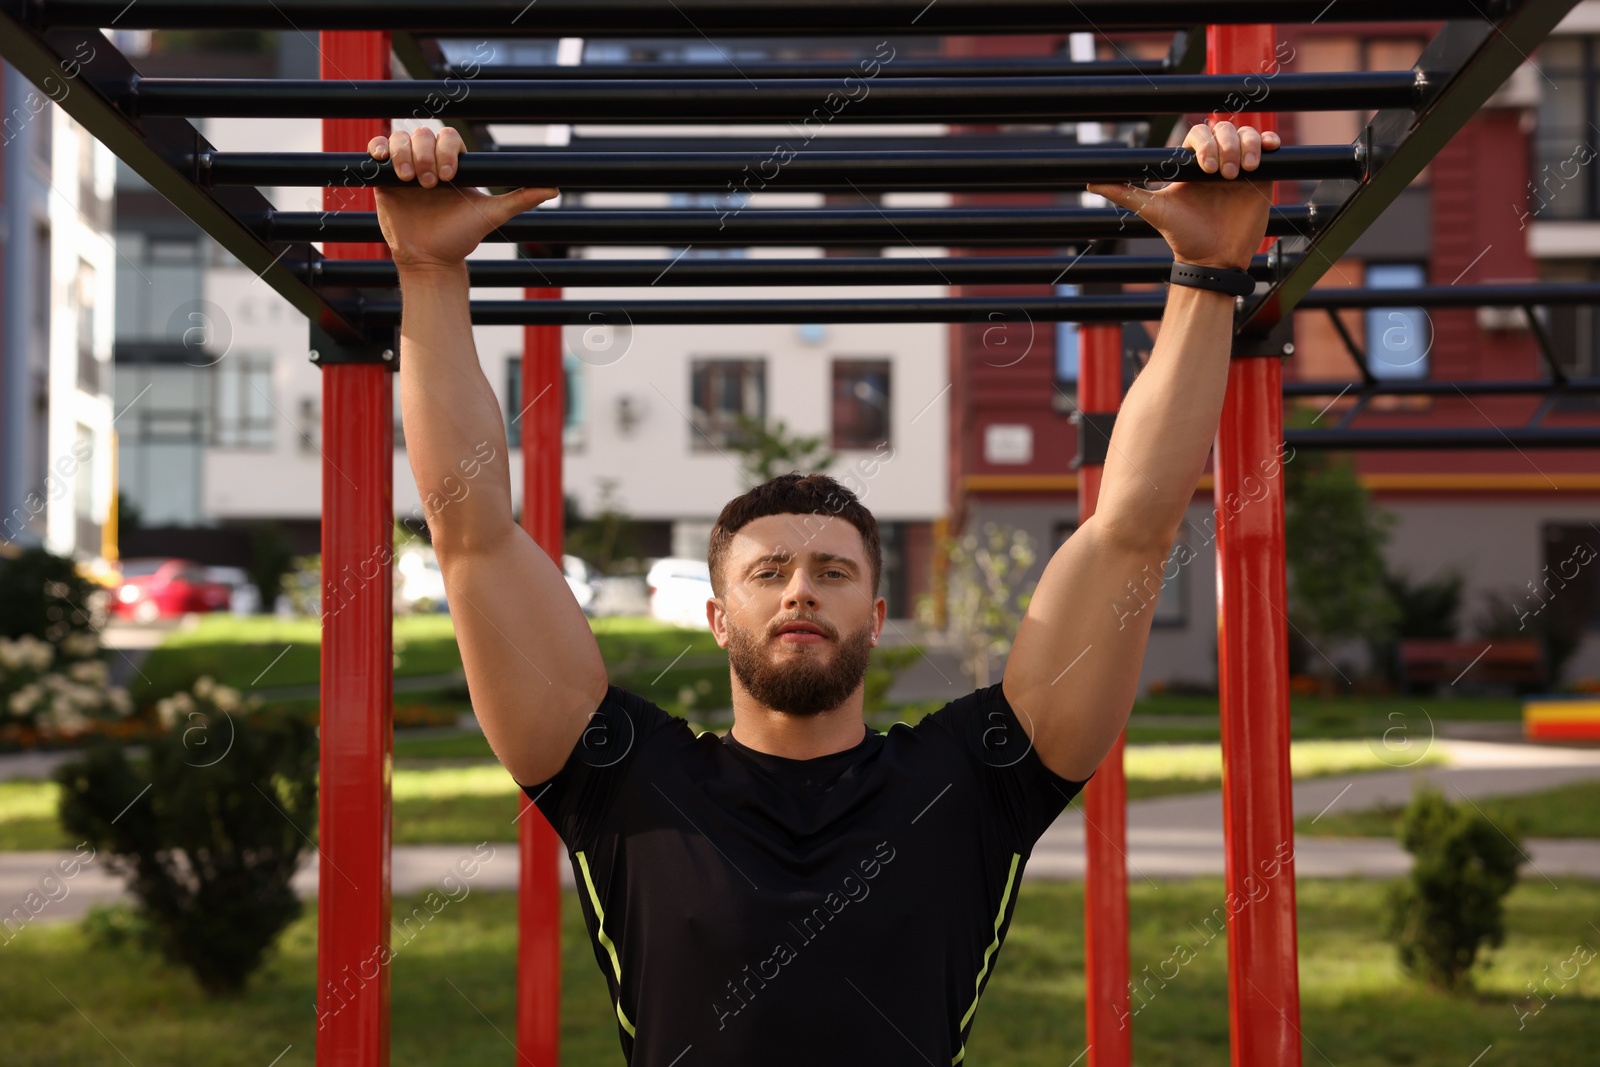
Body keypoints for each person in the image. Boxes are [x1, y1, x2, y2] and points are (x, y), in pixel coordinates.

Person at [368, 118, 1281, 1066]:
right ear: (718, 618)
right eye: (768, 573)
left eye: (834, 572)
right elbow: (468, 536)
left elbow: (1133, 534)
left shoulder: (971, 782)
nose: (800, 590)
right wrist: (430, 277)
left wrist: (1207, 276)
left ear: (876, 618)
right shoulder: (622, 777)